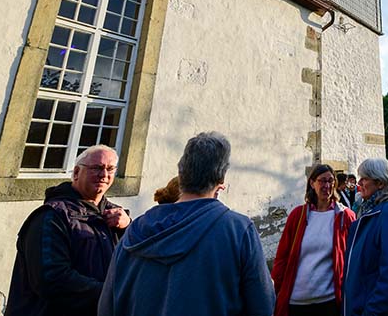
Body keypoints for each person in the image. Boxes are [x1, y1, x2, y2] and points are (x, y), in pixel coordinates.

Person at [98, 132, 274, 316]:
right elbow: (262, 307)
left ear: (181, 173)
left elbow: (107, 306)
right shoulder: (237, 230)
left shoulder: (137, 228)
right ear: (221, 180)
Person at [6, 145, 130, 316]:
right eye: (96, 168)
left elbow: (134, 259)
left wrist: (127, 226)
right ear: (76, 172)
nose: (104, 175)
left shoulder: (116, 215)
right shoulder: (51, 216)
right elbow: (52, 279)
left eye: (110, 169)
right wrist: (110, 293)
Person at [272, 164, 356, 316]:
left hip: (329, 302)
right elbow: (282, 258)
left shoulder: (345, 217)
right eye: (322, 181)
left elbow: (354, 259)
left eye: (331, 181)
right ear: (312, 183)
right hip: (297, 301)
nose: (327, 185)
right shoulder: (298, 215)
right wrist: (274, 290)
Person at [343, 158, 388, 315]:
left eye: (364, 178)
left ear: (380, 183)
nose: (359, 183)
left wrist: (371, 312)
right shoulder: (369, 213)